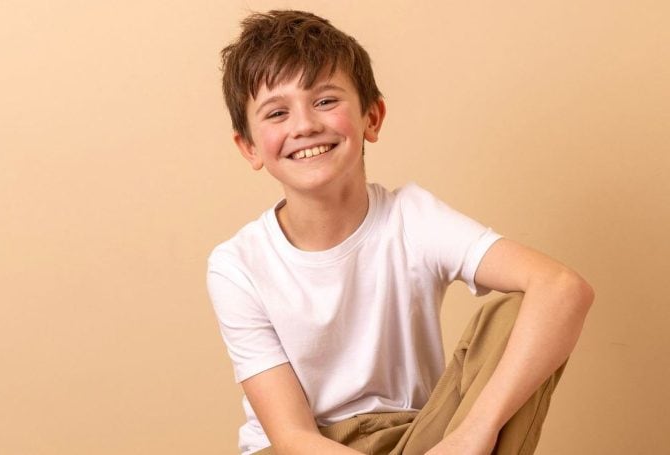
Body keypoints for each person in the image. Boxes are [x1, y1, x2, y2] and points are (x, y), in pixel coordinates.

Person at [207, 10, 594, 455]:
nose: (305, 125)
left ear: (372, 117)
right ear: (250, 147)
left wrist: (475, 432)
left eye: (325, 101)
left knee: (521, 313)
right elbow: (294, 436)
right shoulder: (238, 265)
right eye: (277, 113)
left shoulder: (412, 220)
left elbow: (564, 289)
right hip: (305, 449)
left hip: (416, 437)